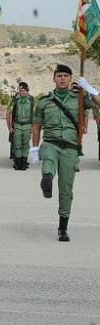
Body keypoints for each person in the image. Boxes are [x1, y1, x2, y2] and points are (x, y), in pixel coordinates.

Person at [29, 67, 100, 242]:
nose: (62, 79)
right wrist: (35, 148)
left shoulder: (81, 99)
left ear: (70, 79)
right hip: (51, 142)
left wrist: (90, 89)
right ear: (53, 79)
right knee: (48, 162)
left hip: (70, 147)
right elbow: (37, 126)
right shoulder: (44, 101)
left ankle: (63, 228)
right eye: (59, 76)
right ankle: (47, 178)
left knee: (66, 190)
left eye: (65, 76)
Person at [7, 82, 33, 171]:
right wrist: (10, 127)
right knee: (17, 145)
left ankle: (24, 163)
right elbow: (10, 113)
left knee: (25, 145)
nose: (22, 92)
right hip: (17, 125)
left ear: (27, 91)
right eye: (21, 91)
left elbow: (35, 115)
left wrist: (33, 127)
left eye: (24, 91)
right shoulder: (15, 101)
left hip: (27, 125)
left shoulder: (31, 101)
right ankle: (17, 163)